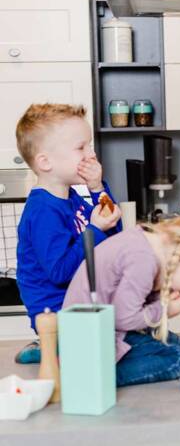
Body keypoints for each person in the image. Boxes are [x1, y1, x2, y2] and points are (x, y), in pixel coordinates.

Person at [63, 213, 180, 387]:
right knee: (175, 359)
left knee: (175, 342)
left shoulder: (147, 241)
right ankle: (88, 378)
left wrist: (159, 298)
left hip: (100, 330)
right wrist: (164, 309)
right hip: (88, 340)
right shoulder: (143, 260)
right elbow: (124, 318)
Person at [15, 103, 122, 363]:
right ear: (45, 162)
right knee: (161, 355)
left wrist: (97, 189)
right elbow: (60, 272)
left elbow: (114, 237)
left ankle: (53, 349)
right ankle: (49, 347)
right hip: (60, 318)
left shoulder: (72, 199)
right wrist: (94, 229)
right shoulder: (43, 211)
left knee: (158, 343)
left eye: (90, 146)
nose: (91, 154)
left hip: (84, 310)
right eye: (81, 147)